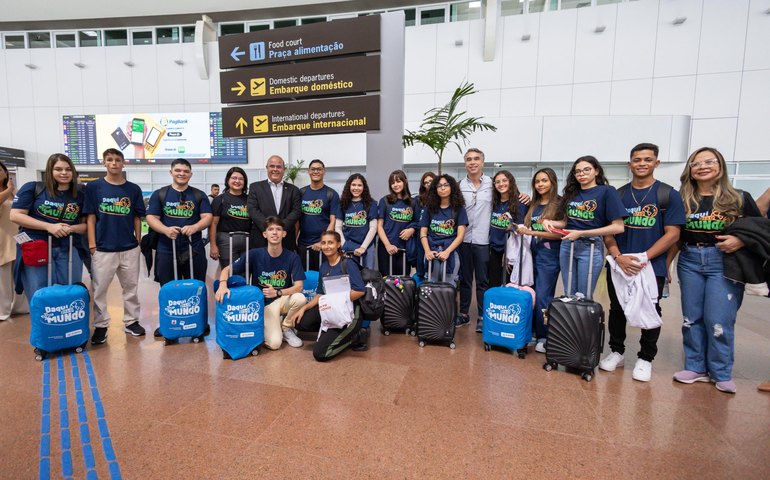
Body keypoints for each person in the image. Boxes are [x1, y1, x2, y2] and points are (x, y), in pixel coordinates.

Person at [672, 147, 762, 394]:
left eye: (709, 162)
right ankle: (695, 367)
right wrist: (667, 267)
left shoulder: (738, 198)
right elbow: (676, 236)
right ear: (689, 170)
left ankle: (721, 372)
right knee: (692, 318)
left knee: (719, 320)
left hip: (724, 261)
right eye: (696, 163)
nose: (702, 166)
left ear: (720, 166)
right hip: (689, 259)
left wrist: (741, 241)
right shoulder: (682, 199)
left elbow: (758, 228)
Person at [599, 143, 685, 382]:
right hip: (620, 263)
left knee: (650, 310)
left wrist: (645, 257)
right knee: (616, 309)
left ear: (656, 163)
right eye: (637, 160)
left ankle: (646, 358)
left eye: (648, 159)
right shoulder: (619, 194)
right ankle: (616, 351)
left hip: (651, 264)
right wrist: (617, 256)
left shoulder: (668, 194)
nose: (642, 163)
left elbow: (673, 234)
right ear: (630, 164)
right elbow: (609, 231)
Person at [83, 148, 147, 344]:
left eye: (117, 160)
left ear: (123, 163)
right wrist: (92, 245)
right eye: (109, 160)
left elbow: (137, 216)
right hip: (103, 248)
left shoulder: (133, 189)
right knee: (100, 289)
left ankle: (131, 321)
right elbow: (91, 218)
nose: (114, 163)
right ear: (104, 163)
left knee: (131, 287)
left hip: (129, 247)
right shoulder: (94, 188)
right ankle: (101, 326)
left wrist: (137, 239)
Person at [215, 216, 306, 350]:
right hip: (262, 305)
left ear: (284, 234)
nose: (275, 233)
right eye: (271, 229)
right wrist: (222, 285)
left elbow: (299, 286)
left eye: (278, 229)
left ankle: (286, 327)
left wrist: (278, 292)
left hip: (281, 300)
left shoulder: (292, 257)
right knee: (274, 344)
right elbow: (227, 269)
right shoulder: (254, 254)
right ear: (265, 234)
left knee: (300, 298)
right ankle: (269, 324)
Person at [146, 158, 212, 337]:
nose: (181, 174)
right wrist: (166, 230)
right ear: (171, 172)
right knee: (167, 287)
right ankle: (169, 323)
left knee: (196, 287)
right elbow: (151, 217)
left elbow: (207, 216)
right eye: (178, 170)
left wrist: (195, 227)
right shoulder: (160, 194)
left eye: (185, 171)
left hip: (193, 247)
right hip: (167, 248)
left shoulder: (199, 195)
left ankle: (199, 322)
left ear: (190, 174)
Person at [543, 156, 626, 298]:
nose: (582, 174)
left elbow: (618, 227)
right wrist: (549, 222)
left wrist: (582, 233)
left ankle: (584, 320)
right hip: (567, 245)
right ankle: (569, 320)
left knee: (584, 295)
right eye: (578, 171)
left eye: (587, 170)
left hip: (591, 246)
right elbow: (566, 223)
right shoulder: (571, 194)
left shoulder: (607, 191)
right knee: (568, 294)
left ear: (596, 171)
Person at [11, 154, 87, 304]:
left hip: (69, 247)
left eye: (67, 169)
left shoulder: (81, 193)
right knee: (39, 291)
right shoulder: (34, 188)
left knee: (70, 289)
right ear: (50, 171)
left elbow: (86, 225)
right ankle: (44, 326)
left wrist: (70, 228)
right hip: (37, 247)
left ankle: (67, 323)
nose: (64, 173)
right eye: (58, 169)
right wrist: (49, 226)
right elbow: (15, 215)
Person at [287, 231, 367, 362]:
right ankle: (331, 331)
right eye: (323, 243)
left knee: (320, 354)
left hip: (349, 313)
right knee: (300, 322)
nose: (326, 246)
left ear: (338, 244)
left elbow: (360, 291)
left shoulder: (348, 264)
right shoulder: (323, 266)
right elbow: (320, 294)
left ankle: (354, 337)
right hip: (331, 309)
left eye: (330, 242)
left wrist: (337, 300)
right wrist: (303, 308)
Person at [517, 168, 564, 354]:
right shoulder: (534, 204)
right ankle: (533, 331)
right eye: (537, 181)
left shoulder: (559, 204)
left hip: (549, 255)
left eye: (544, 181)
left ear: (552, 182)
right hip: (531, 252)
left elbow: (559, 234)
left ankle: (544, 335)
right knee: (531, 293)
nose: (540, 184)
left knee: (544, 295)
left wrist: (530, 232)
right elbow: (527, 227)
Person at [486, 170, 529, 333]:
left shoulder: (520, 202)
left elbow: (518, 230)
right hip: (494, 249)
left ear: (511, 182)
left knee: (510, 287)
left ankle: (510, 325)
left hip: (510, 252)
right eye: (497, 182)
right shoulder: (495, 203)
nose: (501, 184)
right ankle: (495, 322)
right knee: (494, 285)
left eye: (504, 181)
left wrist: (507, 253)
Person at [457, 148, 494, 328]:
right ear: (465, 163)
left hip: (483, 240)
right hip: (463, 239)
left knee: (482, 280)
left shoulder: (492, 184)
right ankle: (463, 313)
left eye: (476, 159)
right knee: (464, 279)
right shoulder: (459, 186)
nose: (472, 162)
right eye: (469, 159)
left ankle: (482, 316)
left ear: (482, 162)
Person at [419, 174, 468, 287]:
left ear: (452, 187)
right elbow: (423, 233)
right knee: (430, 287)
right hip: (431, 251)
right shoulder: (428, 209)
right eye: (439, 185)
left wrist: (447, 252)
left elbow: (460, 236)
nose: (443, 188)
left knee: (449, 286)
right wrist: (427, 251)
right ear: (435, 189)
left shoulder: (459, 209)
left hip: (450, 252)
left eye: (446, 185)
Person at [247, 155, 302, 251]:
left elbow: (296, 211)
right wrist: (269, 229)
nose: (275, 169)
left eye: (279, 167)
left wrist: (280, 229)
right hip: (261, 239)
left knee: (285, 266)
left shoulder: (293, 190)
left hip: (286, 239)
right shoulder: (255, 187)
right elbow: (253, 210)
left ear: (284, 169)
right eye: (272, 166)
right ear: (267, 168)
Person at [297, 159, 341, 271]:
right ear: (309, 171)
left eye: (319, 169)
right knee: (305, 280)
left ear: (324, 172)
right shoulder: (301, 193)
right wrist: (294, 241)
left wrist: (322, 242)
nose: (316, 171)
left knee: (323, 279)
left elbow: (333, 221)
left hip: (323, 247)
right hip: (303, 245)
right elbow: (297, 219)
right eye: (313, 169)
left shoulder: (331, 194)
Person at [0, 162, 27, 321]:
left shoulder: (14, 192)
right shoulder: (8, 191)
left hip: (18, 236)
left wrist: (11, 190)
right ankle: (3, 311)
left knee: (20, 274)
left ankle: (20, 307)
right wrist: (9, 190)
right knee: (3, 278)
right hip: (3, 237)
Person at [209, 167, 251, 268]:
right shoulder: (219, 200)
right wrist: (213, 245)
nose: (237, 181)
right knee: (230, 272)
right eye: (234, 178)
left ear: (245, 182)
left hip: (248, 240)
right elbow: (213, 224)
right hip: (226, 240)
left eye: (241, 179)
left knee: (246, 271)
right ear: (228, 180)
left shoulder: (250, 199)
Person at [377, 170, 416, 277]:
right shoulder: (384, 201)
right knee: (386, 281)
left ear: (405, 182)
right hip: (386, 247)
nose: (395, 185)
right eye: (392, 183)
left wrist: (412, 230)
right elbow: (379, 226)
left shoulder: (413, 202)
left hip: (404, 248)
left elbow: (417, 223)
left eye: (398, 181)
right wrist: (387, 245)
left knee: (403, 283)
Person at [339, 173, 378, 269]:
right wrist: (344, 244)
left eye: (359, 185)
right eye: (353, 185)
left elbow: (373, 227)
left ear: (364, 187)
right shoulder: (342, 203)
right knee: (349, 275)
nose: (356, 188)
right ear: (349, 186)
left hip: (367, 246)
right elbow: (337, 226)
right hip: (348, 245)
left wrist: (363, 247)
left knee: (367, 276)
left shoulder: (371, 203)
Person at [413, 171, 436, 281]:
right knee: (422, 267)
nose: (428, 184)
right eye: (425, 182)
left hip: (437, 237)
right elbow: (416, 219)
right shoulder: (418, 200)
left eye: (431, 181)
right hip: (422, 237)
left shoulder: (442, 199)